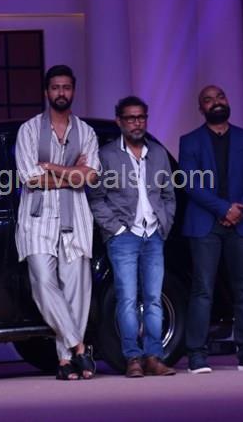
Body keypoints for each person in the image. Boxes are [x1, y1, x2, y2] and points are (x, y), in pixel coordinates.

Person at [15, 65, 99, 380]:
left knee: (76, 289)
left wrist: (53, 167)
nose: (61, 92)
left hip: (75, 218)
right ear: (47, 92)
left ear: (73, 90)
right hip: (36, 219)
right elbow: (30, 178)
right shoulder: (28, 130)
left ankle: (65, 362)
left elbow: (91, 177)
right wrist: (72, 174)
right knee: (42, 282)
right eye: (55, 87)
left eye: (66, 87)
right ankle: (79, 347)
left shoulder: (86, 132)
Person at [179, 85, 243, 373]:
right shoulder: (189, 141)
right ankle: (196, 355)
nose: (216, 102)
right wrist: (223, 209)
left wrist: (239, 207)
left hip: (240, 223)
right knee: (202, 290)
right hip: (204, 224)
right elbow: (190, 183)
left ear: (227, 101)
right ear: (201, 109)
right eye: (208, 100)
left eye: (220, 97)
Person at [88, 96, 176, 378]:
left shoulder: (158, 153)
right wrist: (116, 230)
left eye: (141, 118)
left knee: (153, 299)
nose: (137, 123)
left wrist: (164, 224)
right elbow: (96, 198)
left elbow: (169, 194)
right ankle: (132, 358)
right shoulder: (106, 155)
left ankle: (154, 356)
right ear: (119, 121)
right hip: (124, 236)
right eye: (130, 118)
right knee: (126, 298)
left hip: (153, 234)